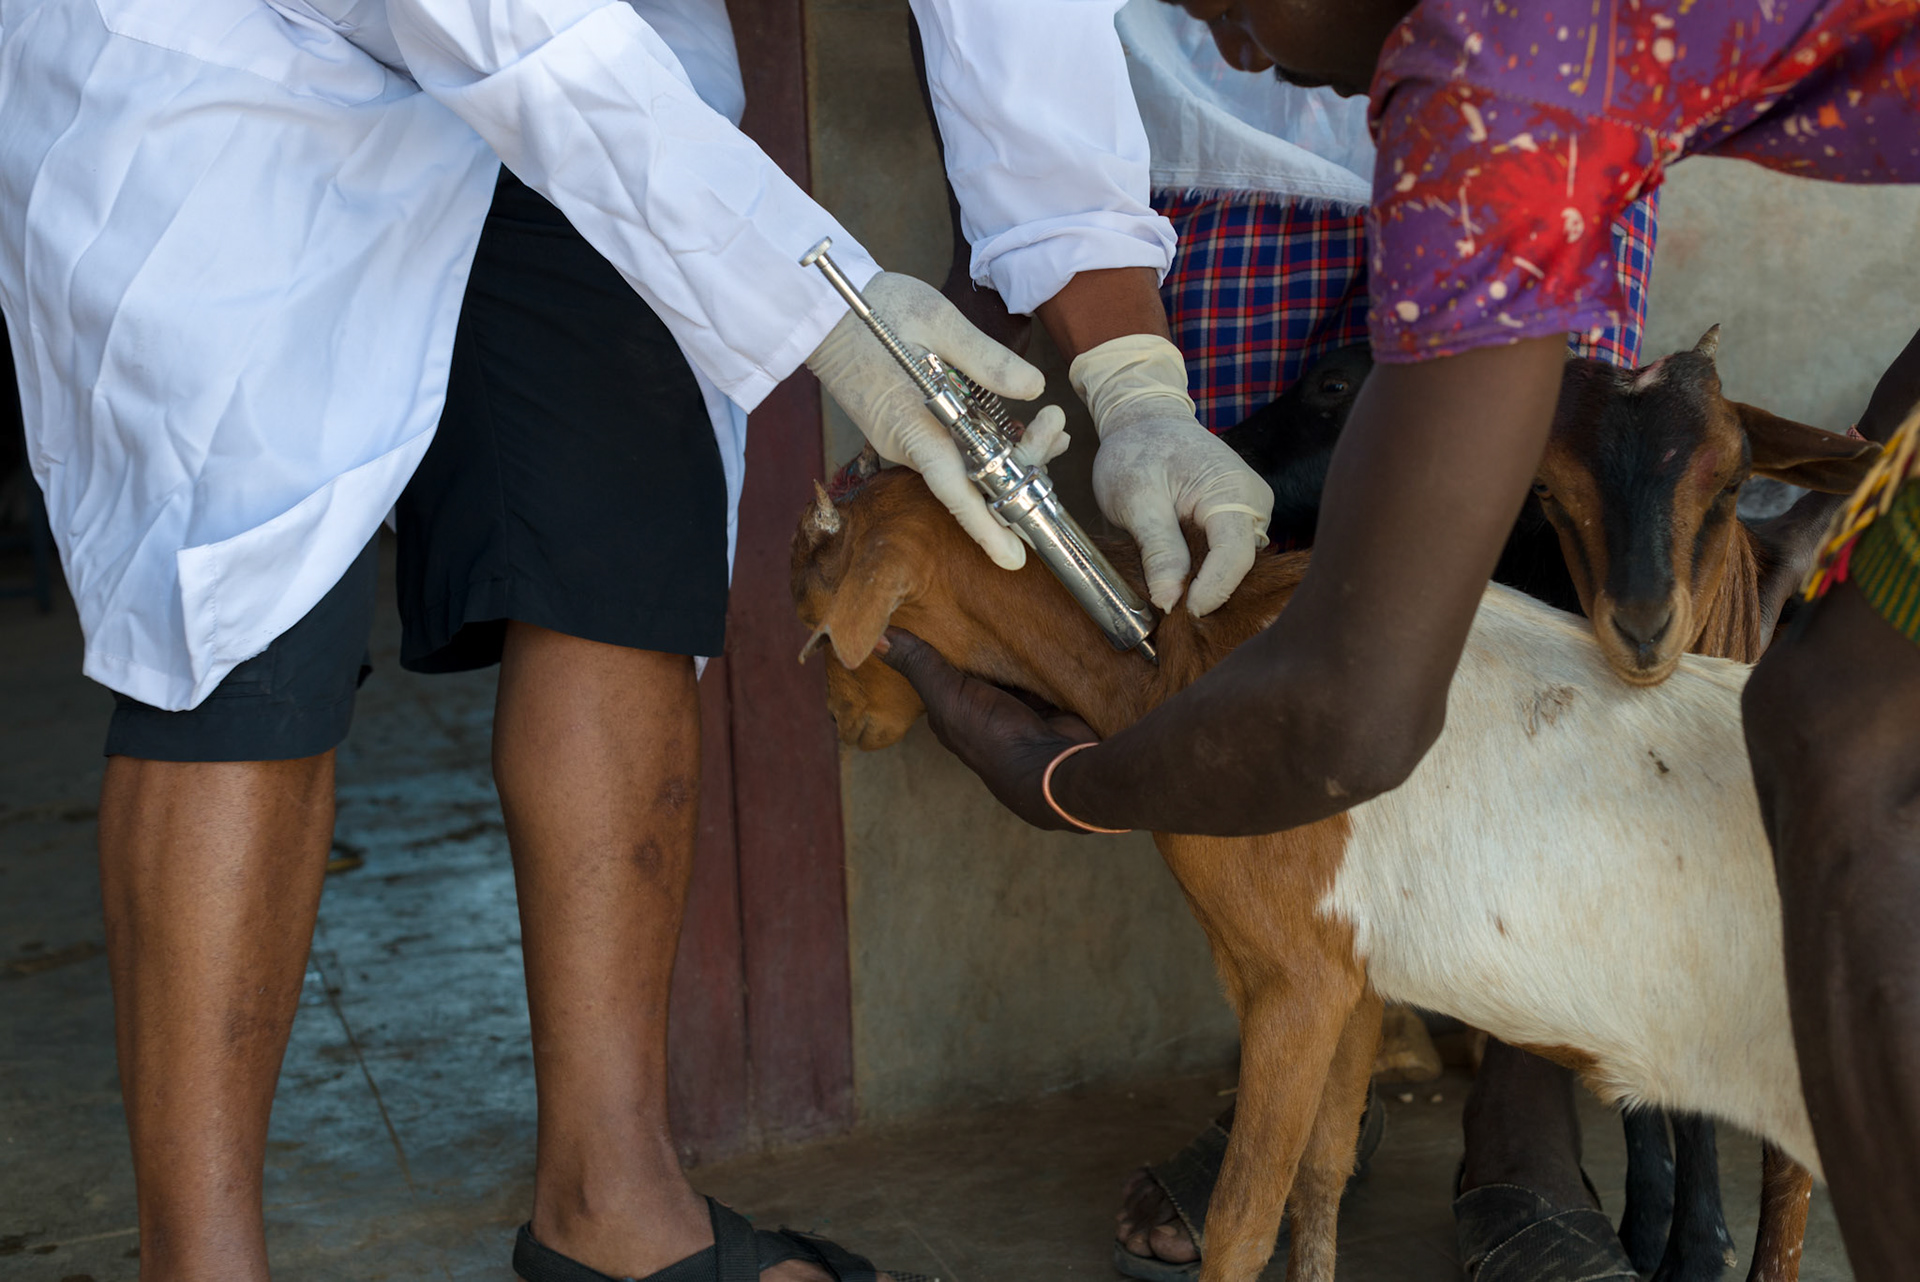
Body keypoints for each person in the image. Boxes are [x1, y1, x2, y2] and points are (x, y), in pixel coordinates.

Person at [0, 2, 1271, 1280]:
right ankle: (202, 1265)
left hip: (613, 36)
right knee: (243, 618)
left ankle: (608, 1201)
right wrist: (814, 303)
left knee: (620, 537)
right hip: (241, 49)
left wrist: (1130, 375)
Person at [877, 3, 1920, 1279]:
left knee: (1846, 750)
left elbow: (1355, 714)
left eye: (1228, 8)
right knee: (1835, 713)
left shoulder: (1498, 72)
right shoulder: (1497, 68)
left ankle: (1527, 1126)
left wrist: (1071, 781)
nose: (1225, 45)